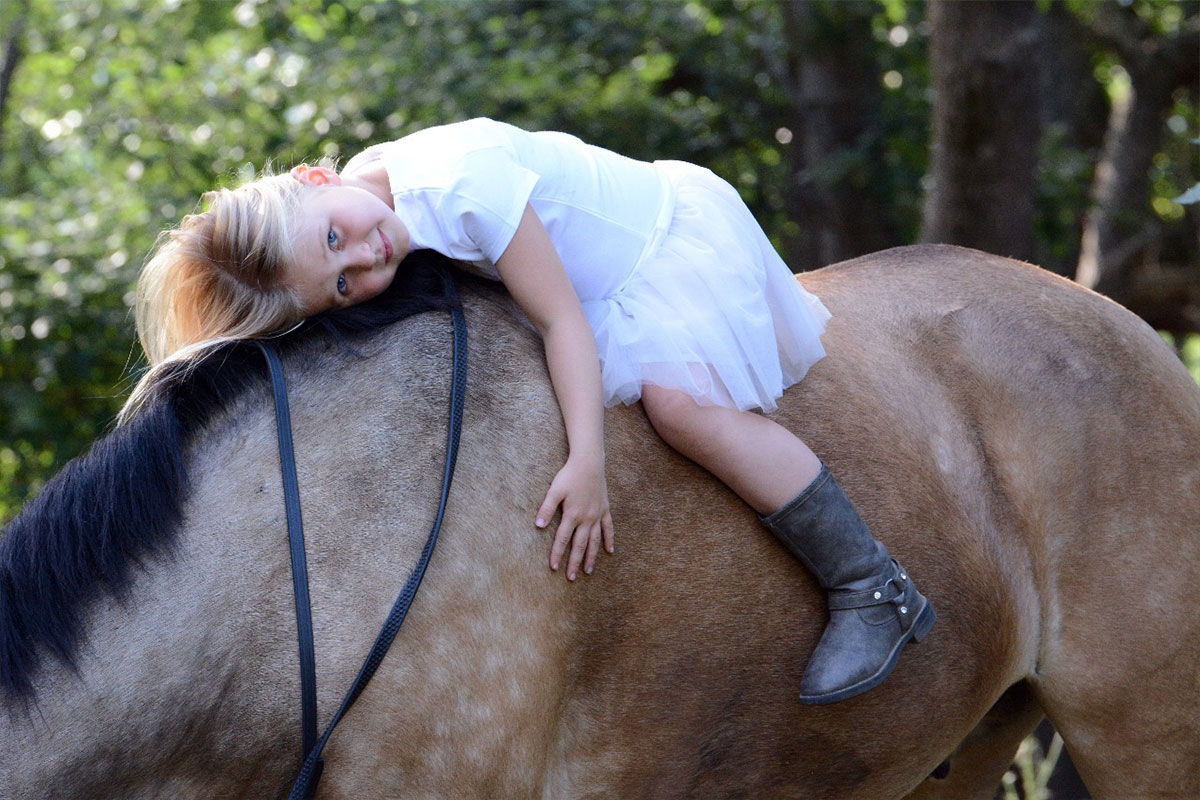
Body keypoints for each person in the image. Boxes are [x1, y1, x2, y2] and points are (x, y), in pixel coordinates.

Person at [131, 117, 934, 705]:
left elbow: (561, 324)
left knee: (679, 408)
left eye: (337, 236)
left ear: (315, 180)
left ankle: (872, 585)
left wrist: (587, 463)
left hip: (661, 247)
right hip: (593, 277)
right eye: (341, 283)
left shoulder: (461, 186)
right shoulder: (375, 200)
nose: (365, 258)